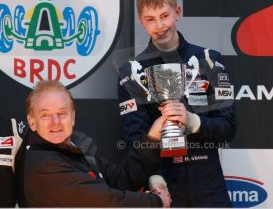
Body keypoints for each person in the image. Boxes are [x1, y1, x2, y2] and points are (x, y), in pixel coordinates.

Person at [117, 0, 236, 207]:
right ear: (141, 21)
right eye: (150, 19)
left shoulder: (209, 61)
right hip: (163, 188)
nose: (160, 26)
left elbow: (228, 127)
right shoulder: (131, 72)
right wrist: (155, 179)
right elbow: (135, 138)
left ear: (177, 12)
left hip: (209, 185)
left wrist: (192, 121)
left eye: (164, 15)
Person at [15, 80, 171, 207]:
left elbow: (123, 179)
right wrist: (156, 202)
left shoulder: (72, 151)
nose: (55, 122)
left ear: (73, 117)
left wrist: (153, 138)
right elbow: (105, 202)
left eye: (62, 113)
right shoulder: (43, 164)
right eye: (45, 115)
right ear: (32, 122)